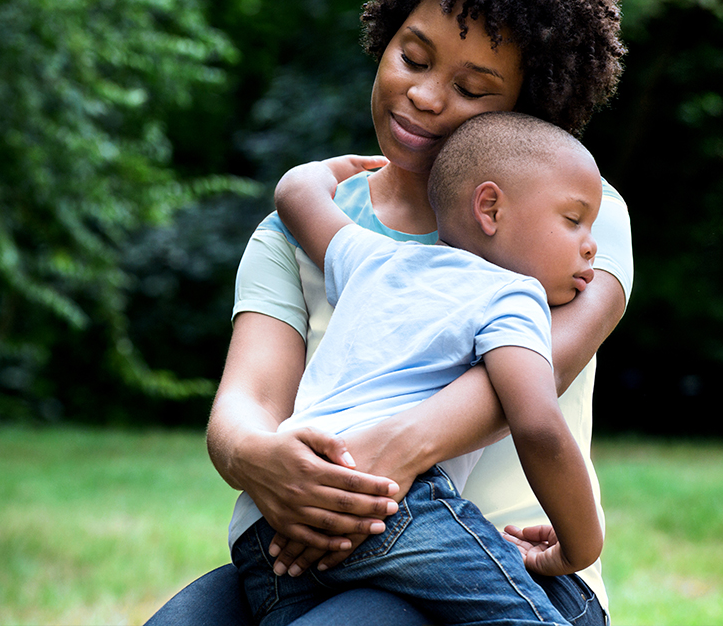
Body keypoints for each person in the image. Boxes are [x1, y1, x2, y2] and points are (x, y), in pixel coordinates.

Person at [148, 0, 631, 623]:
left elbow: (534, 376)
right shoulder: (305, 232)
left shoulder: (568, 220)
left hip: (505, 559)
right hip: (306, 540)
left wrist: (384, 455)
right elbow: (245, 404)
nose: (426, 95)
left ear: (526, 110)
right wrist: (266, 461)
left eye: (473, 89)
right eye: (413, 55)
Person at [231, 111, 605, 626]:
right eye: (573, 220)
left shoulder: (376, 259)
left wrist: (335, 169)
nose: (592, 244)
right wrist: (578, 547)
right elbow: (538, 426)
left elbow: (295, 196)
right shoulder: (514, 295)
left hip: (270, 521)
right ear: (490, 208)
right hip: (393, 510)